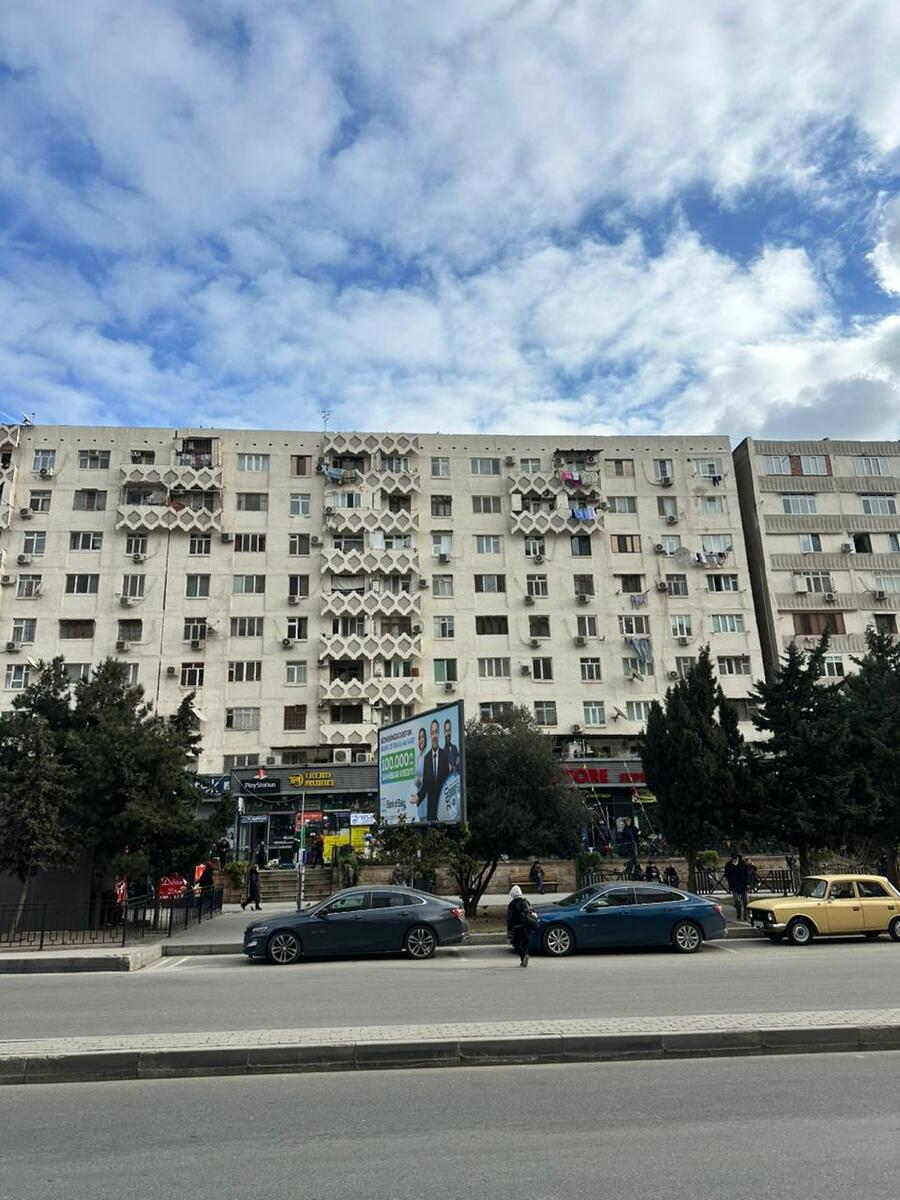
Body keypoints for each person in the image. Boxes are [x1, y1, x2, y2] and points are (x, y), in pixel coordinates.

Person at [415, 719, 450, 822]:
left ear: (439, 734)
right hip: (430, 808)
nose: (434, 736)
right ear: (430, 735)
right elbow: (425, 784)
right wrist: (418, 797)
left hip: (443, 808)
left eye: (436, 732)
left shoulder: (444, 755)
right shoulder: (426, 758)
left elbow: (447, 782)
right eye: (432, 732)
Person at [507, 884, 537, 968]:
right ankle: (523, 959)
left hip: (517, 927)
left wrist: (509, 928)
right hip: (527, 926)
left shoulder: (512, 904)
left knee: (516, 943)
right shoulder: (526, 902)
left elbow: (510, 918)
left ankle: (523, 956)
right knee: (525, 943)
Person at [724, 852, 749, 921]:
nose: (734, 860)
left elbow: (746, 873)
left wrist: (747, 883)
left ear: (738, 858)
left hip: (743, 884)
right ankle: (739, 914)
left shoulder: (742, 864)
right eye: (733, 859)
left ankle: (745, 914)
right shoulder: (728, 865)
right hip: (734, 885)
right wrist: (730, 880)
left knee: (745, 901)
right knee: (737, 901)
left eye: (736, 858)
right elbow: (726, 874)